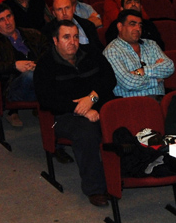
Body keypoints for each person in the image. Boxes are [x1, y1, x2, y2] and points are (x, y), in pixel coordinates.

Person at [33, 20, 117, 206]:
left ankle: (123, 175)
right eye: (66, 37)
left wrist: (92, 98)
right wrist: (81, 110)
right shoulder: (45, 65)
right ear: (55, 40)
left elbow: (109, 79)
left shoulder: (92, 53)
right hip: (63, 115)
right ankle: (95, 189)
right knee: (87, 133)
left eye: (75, 36)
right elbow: (47, 100)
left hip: (99, 105)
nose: (73, 41)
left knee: (123, 120)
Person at [0, 3, 50, 127]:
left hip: (38, 77)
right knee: (31, 75)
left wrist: (37, 64)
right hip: (12, 86)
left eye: (9, 16)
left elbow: (48, 50)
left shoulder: (32, 33)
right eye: (2, 20)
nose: (7, 22)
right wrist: (14, 66)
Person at [104, 10, 173, 98]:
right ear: (120, 26)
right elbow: (128, 83)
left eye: (140, 25)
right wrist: (155, 80)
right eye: (132, 24)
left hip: (160, 99)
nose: (138, 28)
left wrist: (142, 71)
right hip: (133, 104)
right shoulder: (112, 51)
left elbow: (169, 67)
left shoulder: (151, 44)